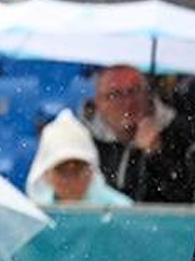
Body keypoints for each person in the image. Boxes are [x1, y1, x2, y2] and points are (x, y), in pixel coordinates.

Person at [83, 65, 195, 203]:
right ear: (98, 102)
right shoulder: (83, 139)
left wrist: (157, 156)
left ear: (148, 94)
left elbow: (184, 200)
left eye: (133, 91)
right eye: (115, 94)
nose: (127, 102)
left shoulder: (182, 134)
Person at [27, 109, 132, 206]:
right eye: (61, 170)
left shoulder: (121, 209)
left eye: (78, 168)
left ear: (91, 172)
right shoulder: (34, 215)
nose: (70, 179)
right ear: (46, 174)